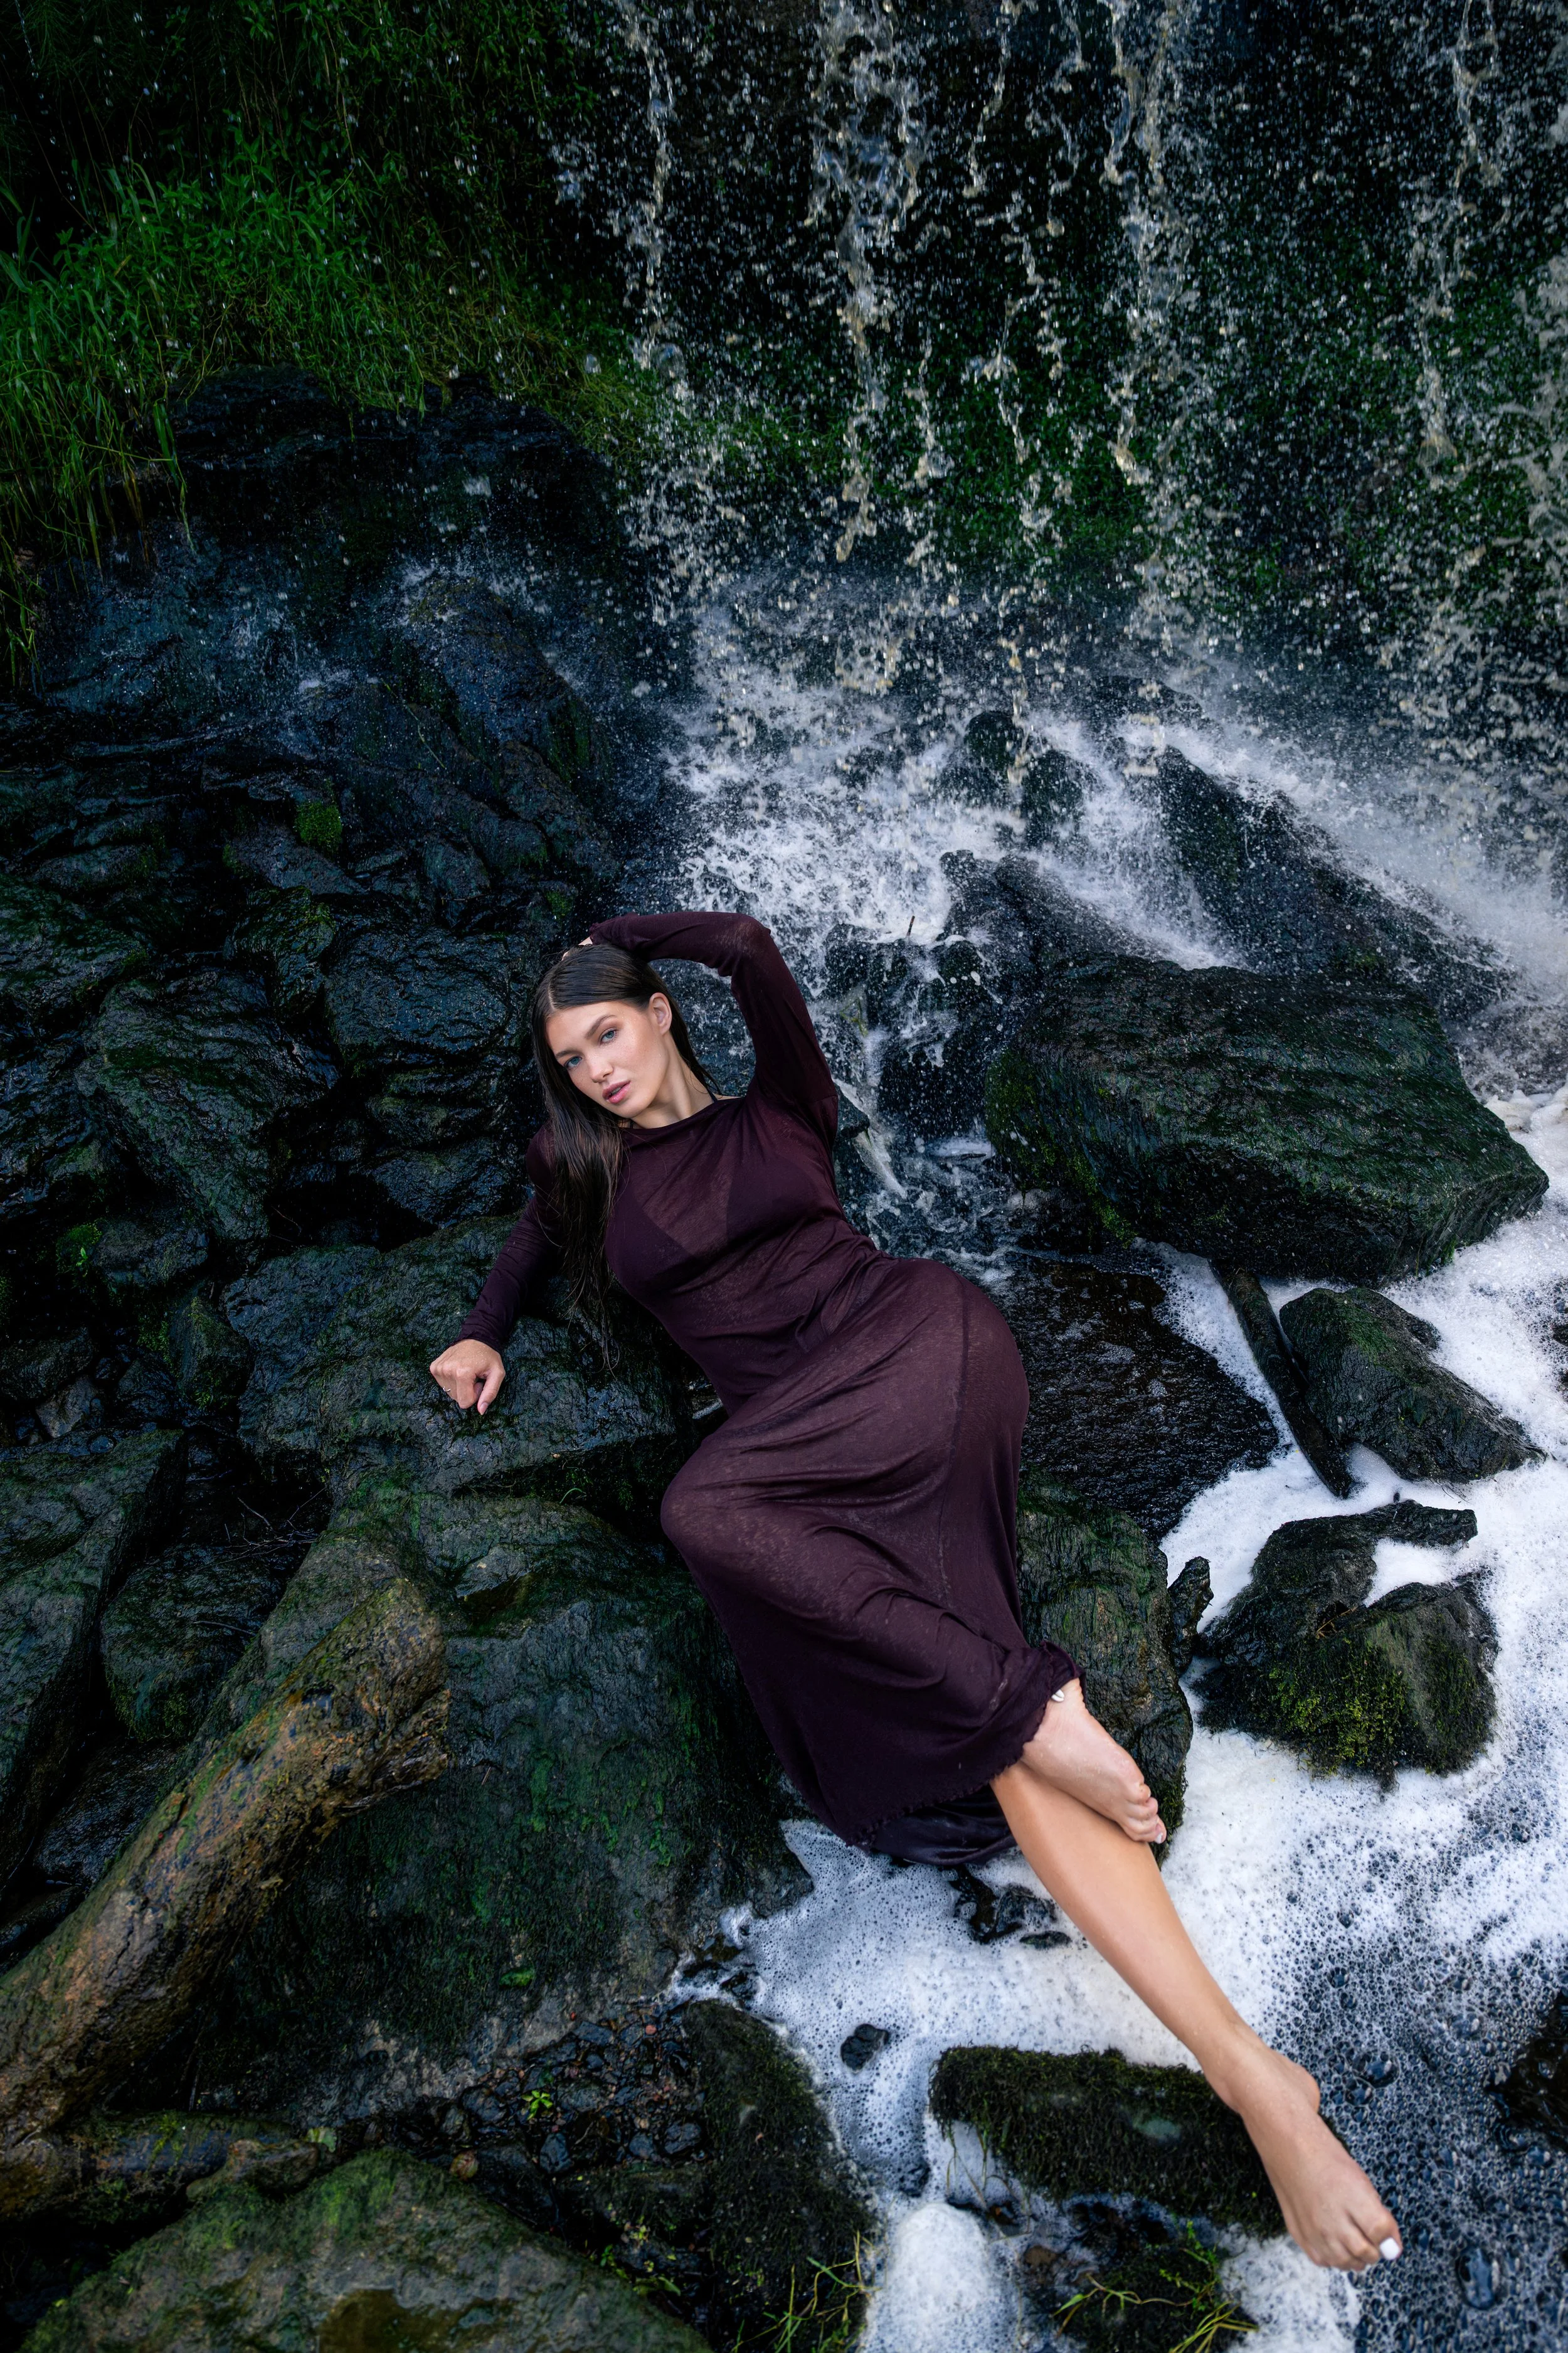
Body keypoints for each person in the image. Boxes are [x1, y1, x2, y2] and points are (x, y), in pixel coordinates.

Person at [430, 909, 1402, 2274]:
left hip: (916, 1346)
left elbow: (755, 950)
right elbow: (533, 1243)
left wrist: (620, 930)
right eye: (568, 1054)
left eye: (608, 1028)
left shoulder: (784, 1106)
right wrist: (477, 1333)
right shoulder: (577, 1159)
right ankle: (1252, 2072)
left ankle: (1215, 2024)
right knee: (848, 1608)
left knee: (720, 1516)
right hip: (797, 1445)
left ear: (658, 1014)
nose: (594, 1068)